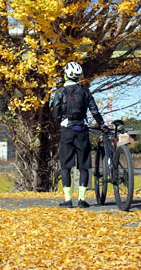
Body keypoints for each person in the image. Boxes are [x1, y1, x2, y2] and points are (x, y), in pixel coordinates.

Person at [51, 61, 105, 208]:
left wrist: (61, 119)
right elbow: (95, 111)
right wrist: (102, 124)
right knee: (84, 166)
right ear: (78, 76)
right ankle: (82, 200)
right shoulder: (85, 92)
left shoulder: (60, 92)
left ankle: (68, 200)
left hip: (67, 131)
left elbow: (55, 114)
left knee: (66, 166)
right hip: (82, 131)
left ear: (66, 75)